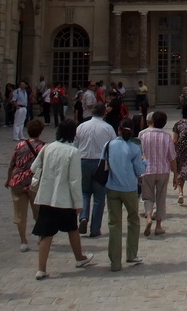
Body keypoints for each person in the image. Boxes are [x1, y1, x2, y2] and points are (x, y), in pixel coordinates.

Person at [30, 119, 95, 279]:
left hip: (47, 196)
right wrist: (79, 203)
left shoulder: (47, 148)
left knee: (46, 233)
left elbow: (33, 167)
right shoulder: (73, 151)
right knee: (72, 228)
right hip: (64, 199)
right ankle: (79, 257)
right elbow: (74, 180)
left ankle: (41, 269)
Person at [105, 118, 147, 272]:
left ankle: (115, 262)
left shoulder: (109, 145)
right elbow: (140, 171)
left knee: (114, 225)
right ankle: (131, 253)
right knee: (133, 220)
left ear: (118, 129)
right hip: (129, 188)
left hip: (112, 187)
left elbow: (105, 164)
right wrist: (145, 163)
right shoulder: (134, 148)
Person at [75, 103, 116, 238]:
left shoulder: (81, 126)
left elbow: (75, 145)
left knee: (85, 192)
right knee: (99, 197)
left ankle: (83, 217)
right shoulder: (108, 128)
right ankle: (95, 228)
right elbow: (113, 147)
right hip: (100, 162)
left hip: (83, 161)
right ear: (104, 113)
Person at [5, 118, 47, 252]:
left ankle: (23, 241)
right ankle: (41, 236)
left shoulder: (19, 145)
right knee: (38, 212)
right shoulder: (44, 147)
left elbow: (12, 164)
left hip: (17, 181)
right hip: (34, 182)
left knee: (20, 214)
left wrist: (8, 179)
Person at [139, 111, 176, 237]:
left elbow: (138, 153)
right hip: (163, 170)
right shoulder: (167, 136)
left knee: (147, 196)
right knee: (161, 197)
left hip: (147, 170)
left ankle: (149, 215)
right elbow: (172, 157)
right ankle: (159, 226)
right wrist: (175, 174)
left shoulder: (143, 135)